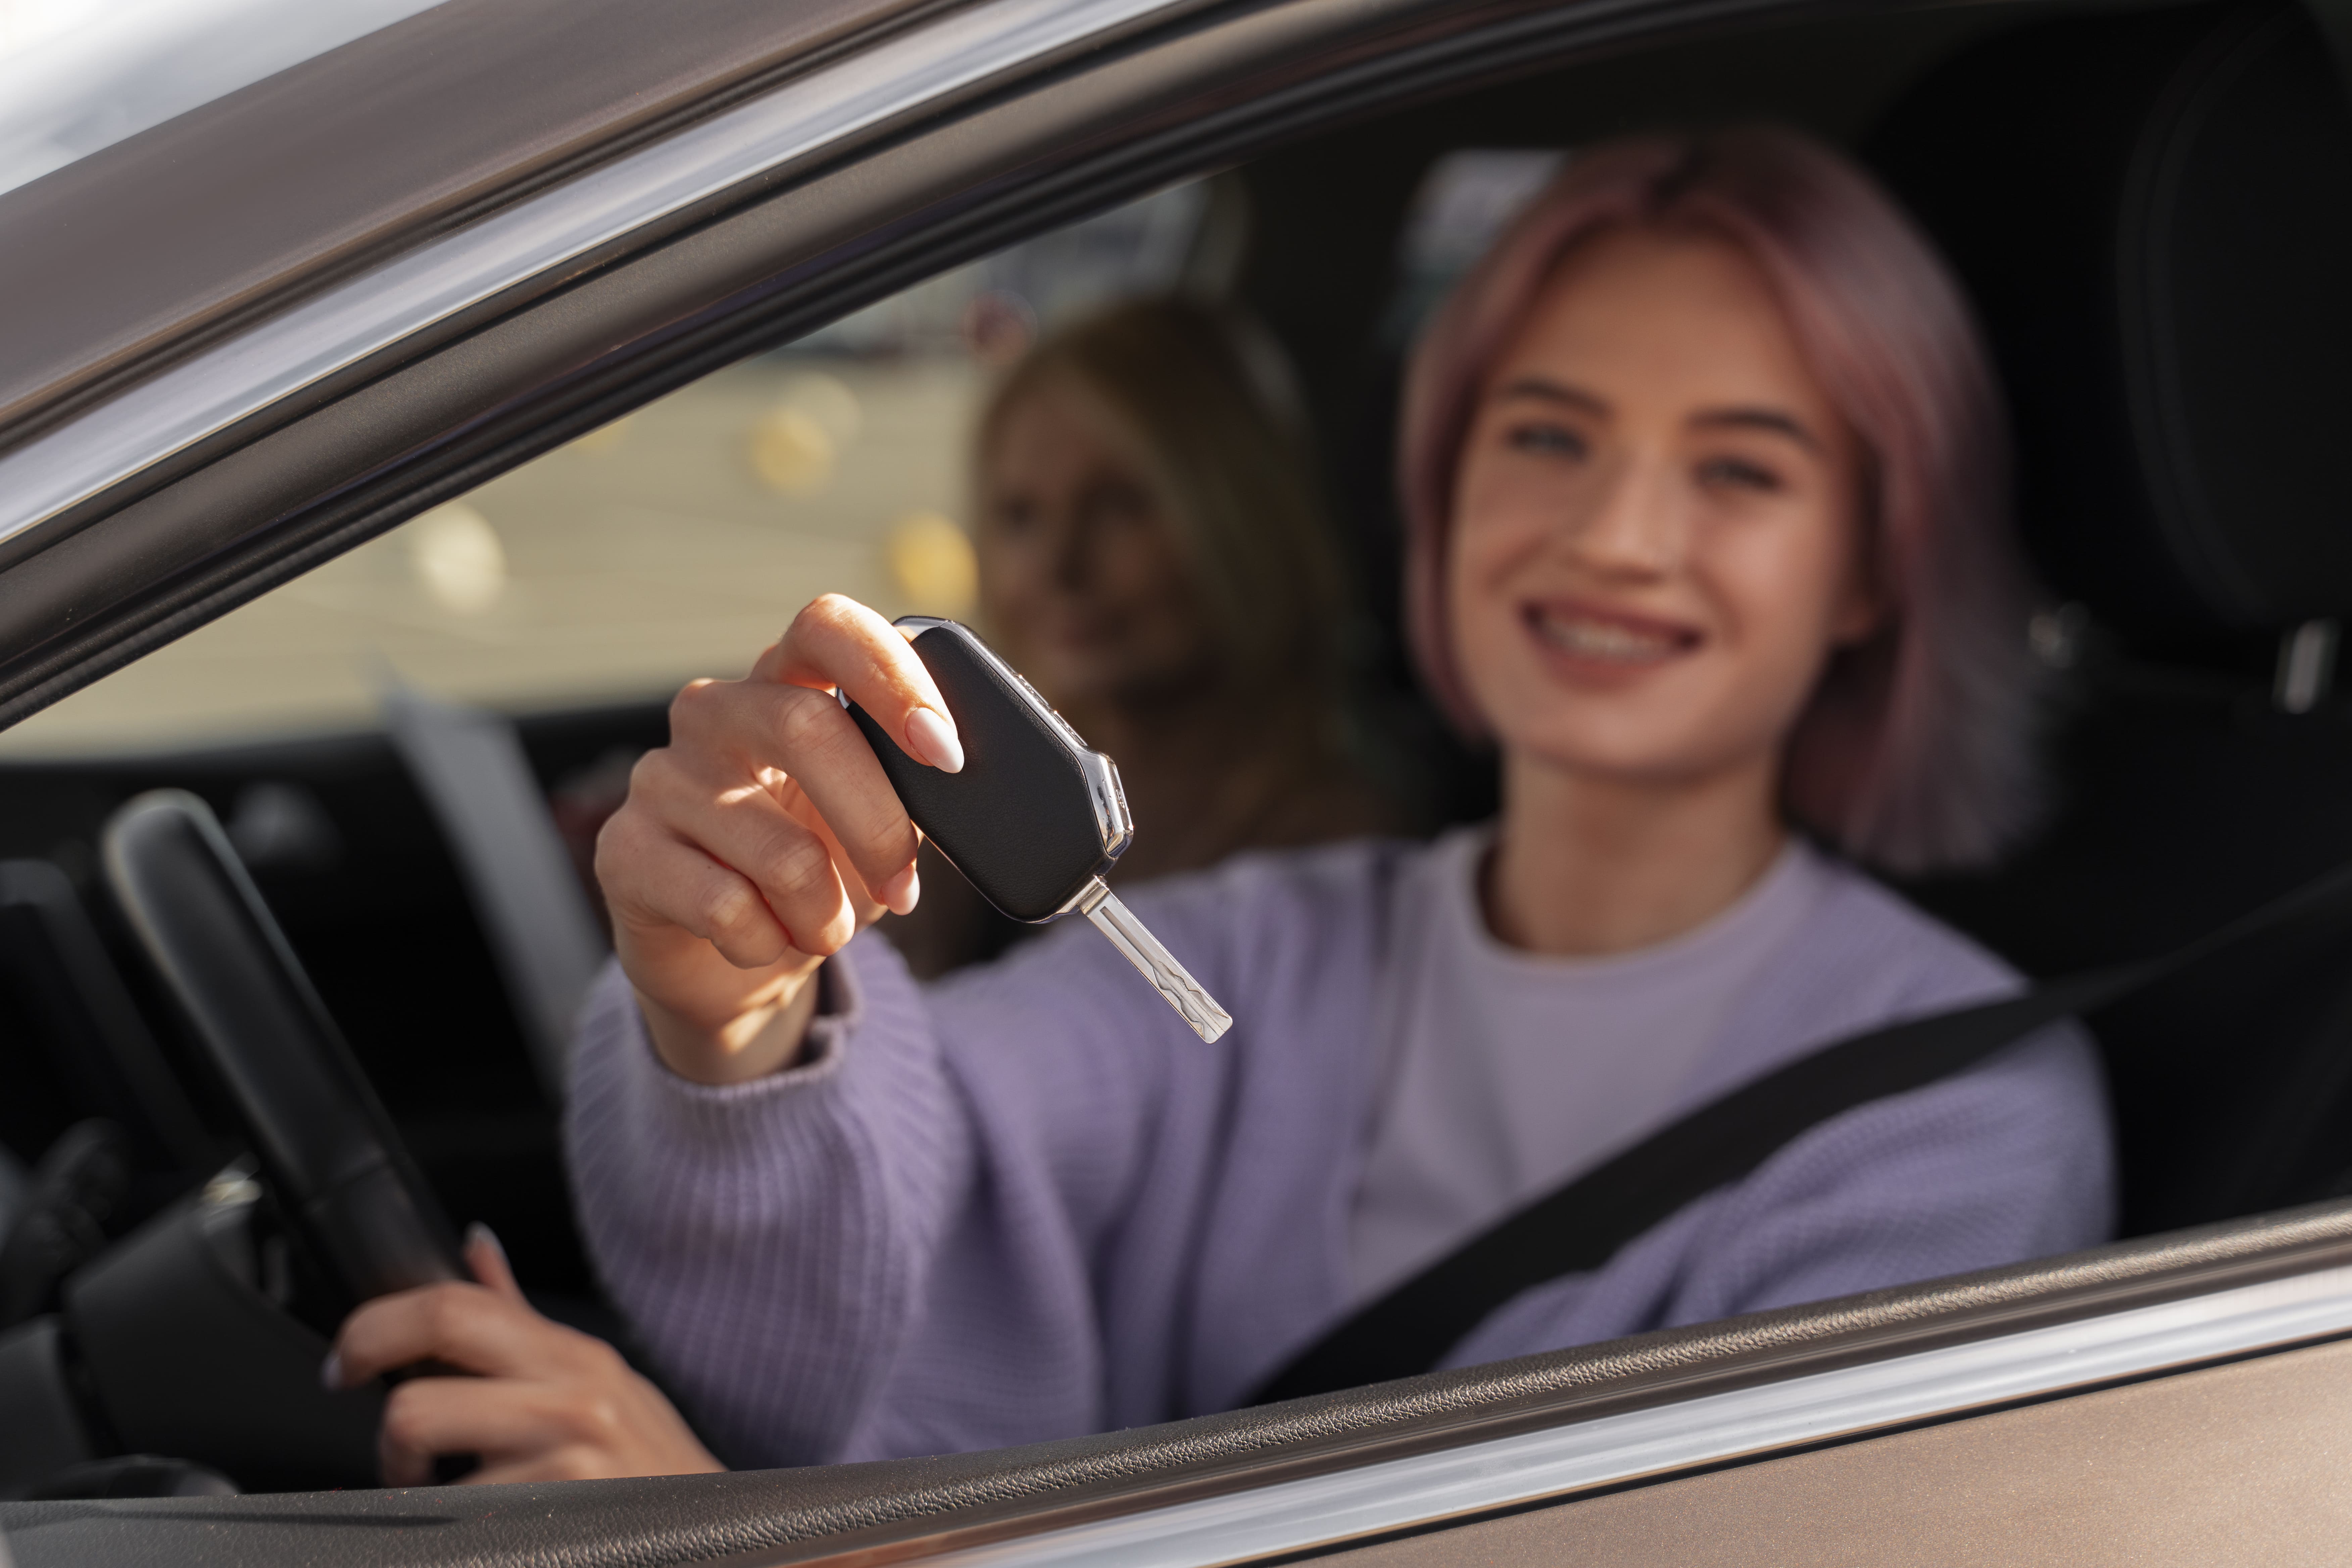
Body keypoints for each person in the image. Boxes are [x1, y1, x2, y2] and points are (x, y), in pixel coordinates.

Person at [324, 127, 2114, 1482]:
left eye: (1741, 468)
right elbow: (907, 1177)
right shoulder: (1269, 942)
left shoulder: (1954, 1123)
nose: (1613, 537)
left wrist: (725, 1532)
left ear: (1875, 565)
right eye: (1548, 437)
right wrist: (734, 1015)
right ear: (1439, 484)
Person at [883, 296, 1396, 977]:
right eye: (1020, 515)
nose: (1060, 568)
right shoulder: (964, 796)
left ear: (1238, 517)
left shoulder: (1337, 854)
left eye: (1121, 505)